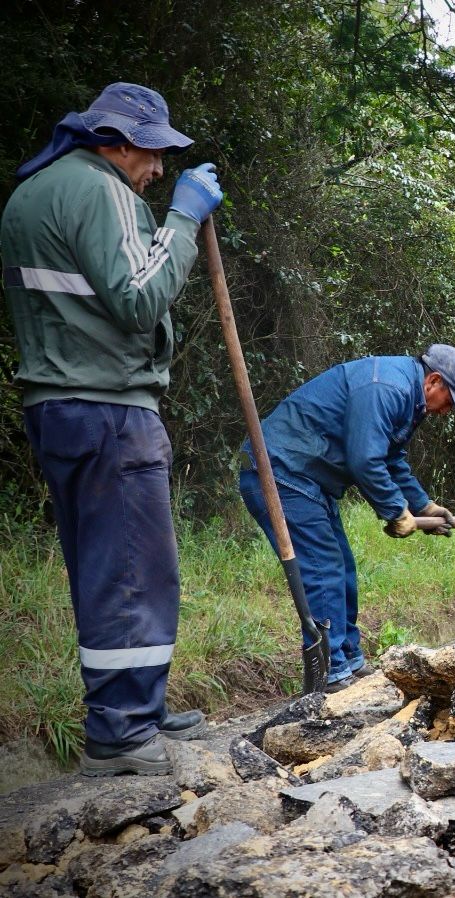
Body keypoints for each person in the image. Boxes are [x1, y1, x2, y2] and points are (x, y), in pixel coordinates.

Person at [2, 82, 225, 776]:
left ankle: (132, 710)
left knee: (103, 568)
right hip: (109, 411)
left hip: (57, 408)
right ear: (117, 143)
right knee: (135, 573)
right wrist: (183, 218)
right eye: (152, 154)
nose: (157, 170)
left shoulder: (31, 192)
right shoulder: (104, 192)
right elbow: (139, 297)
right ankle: (124, 730)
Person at [237, 345, 455, 692]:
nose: (447, 410)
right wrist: (396, 511)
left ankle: (348, 659)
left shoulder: (406, 395)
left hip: (306, 478)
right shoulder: (388, 388)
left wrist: (423, 507)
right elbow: (365, 459)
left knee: (342, 567)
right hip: (279, 472)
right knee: (323, 569)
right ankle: (329, 674)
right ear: (434, 381)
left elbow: (390, 458)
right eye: (450, 400)